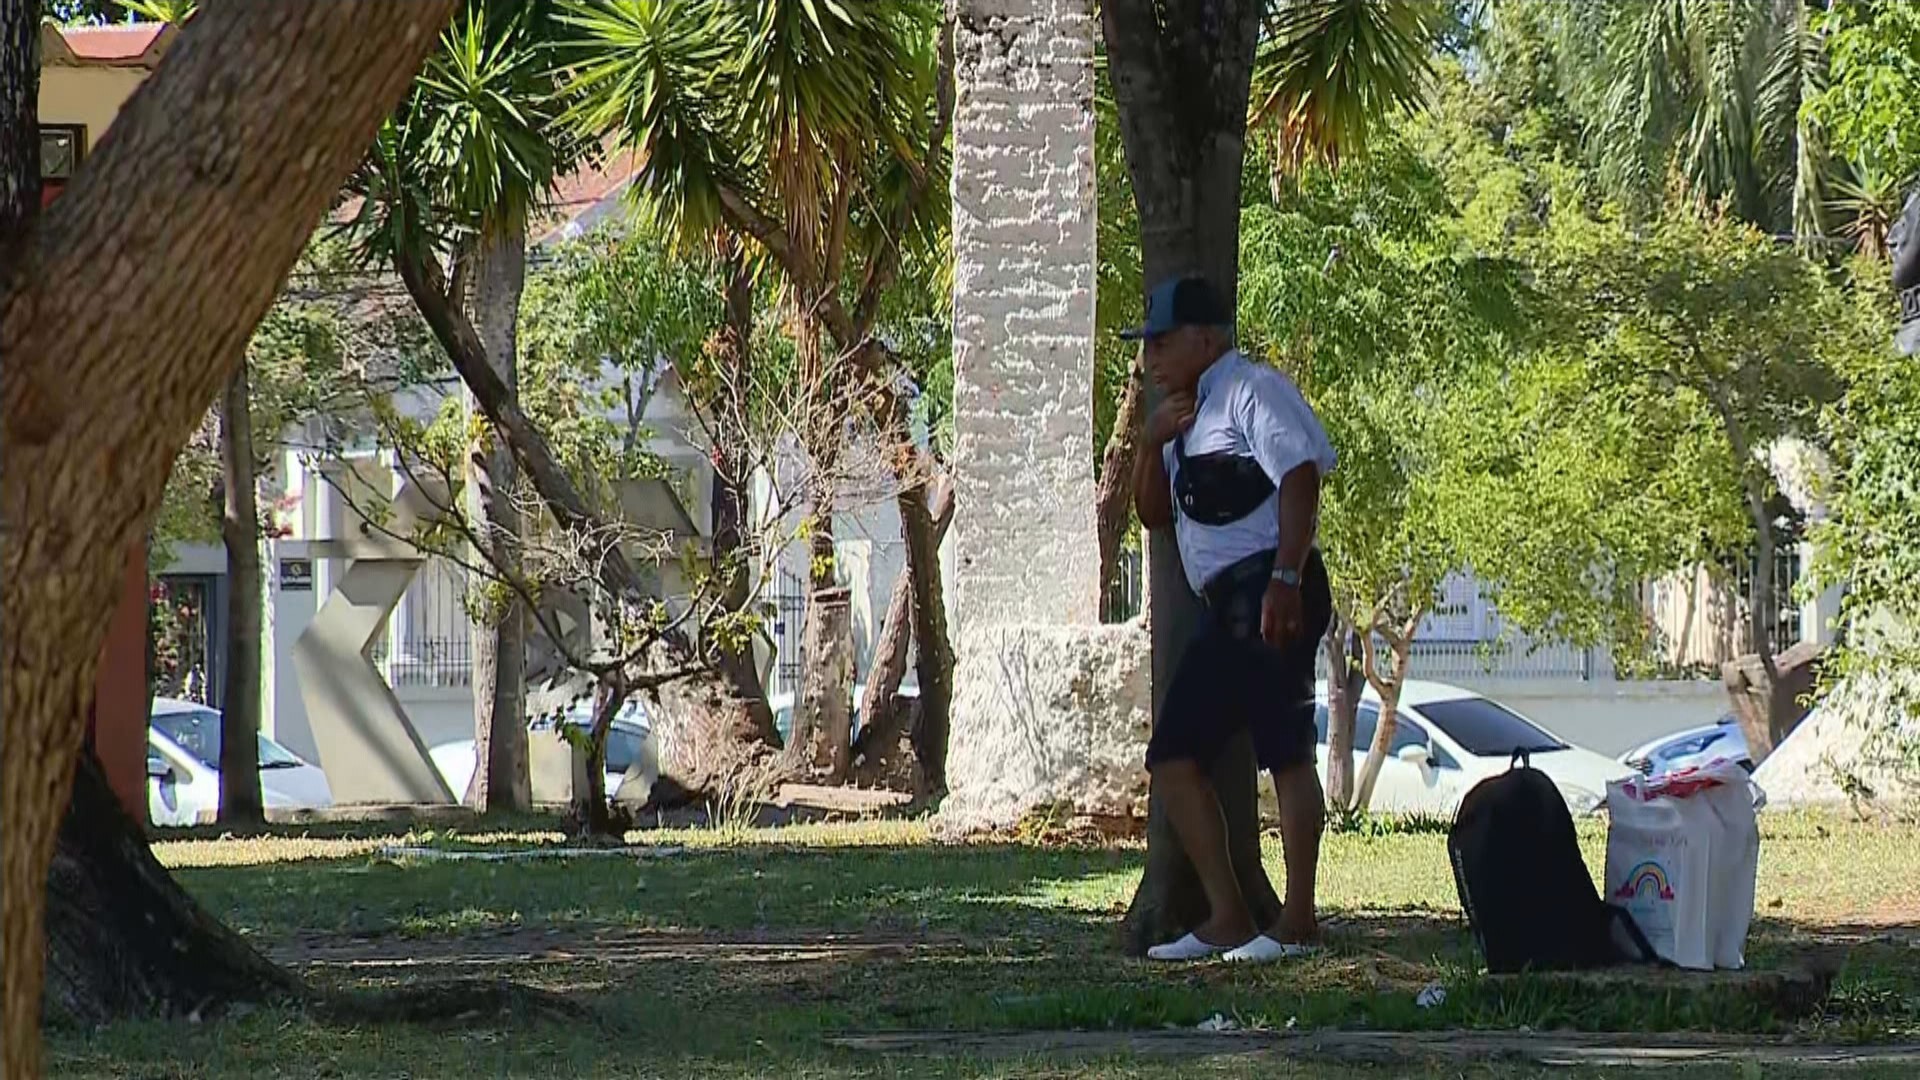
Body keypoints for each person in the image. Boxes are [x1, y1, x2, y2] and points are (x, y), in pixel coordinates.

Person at [1125, 274, 1337, 964]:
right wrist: (1150, 441)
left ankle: (1298, 919)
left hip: (1272, 588)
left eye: (1163, 340)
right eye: (1146, 344)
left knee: (1285, 749)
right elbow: (1153, 514)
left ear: (1207, 336)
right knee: (1174, 756)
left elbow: (1300, 475)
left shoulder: (1249, 389)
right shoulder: (1185, 416)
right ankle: (1228, 917)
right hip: (1226, 606)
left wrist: (1286, 577)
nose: (1151, 356)